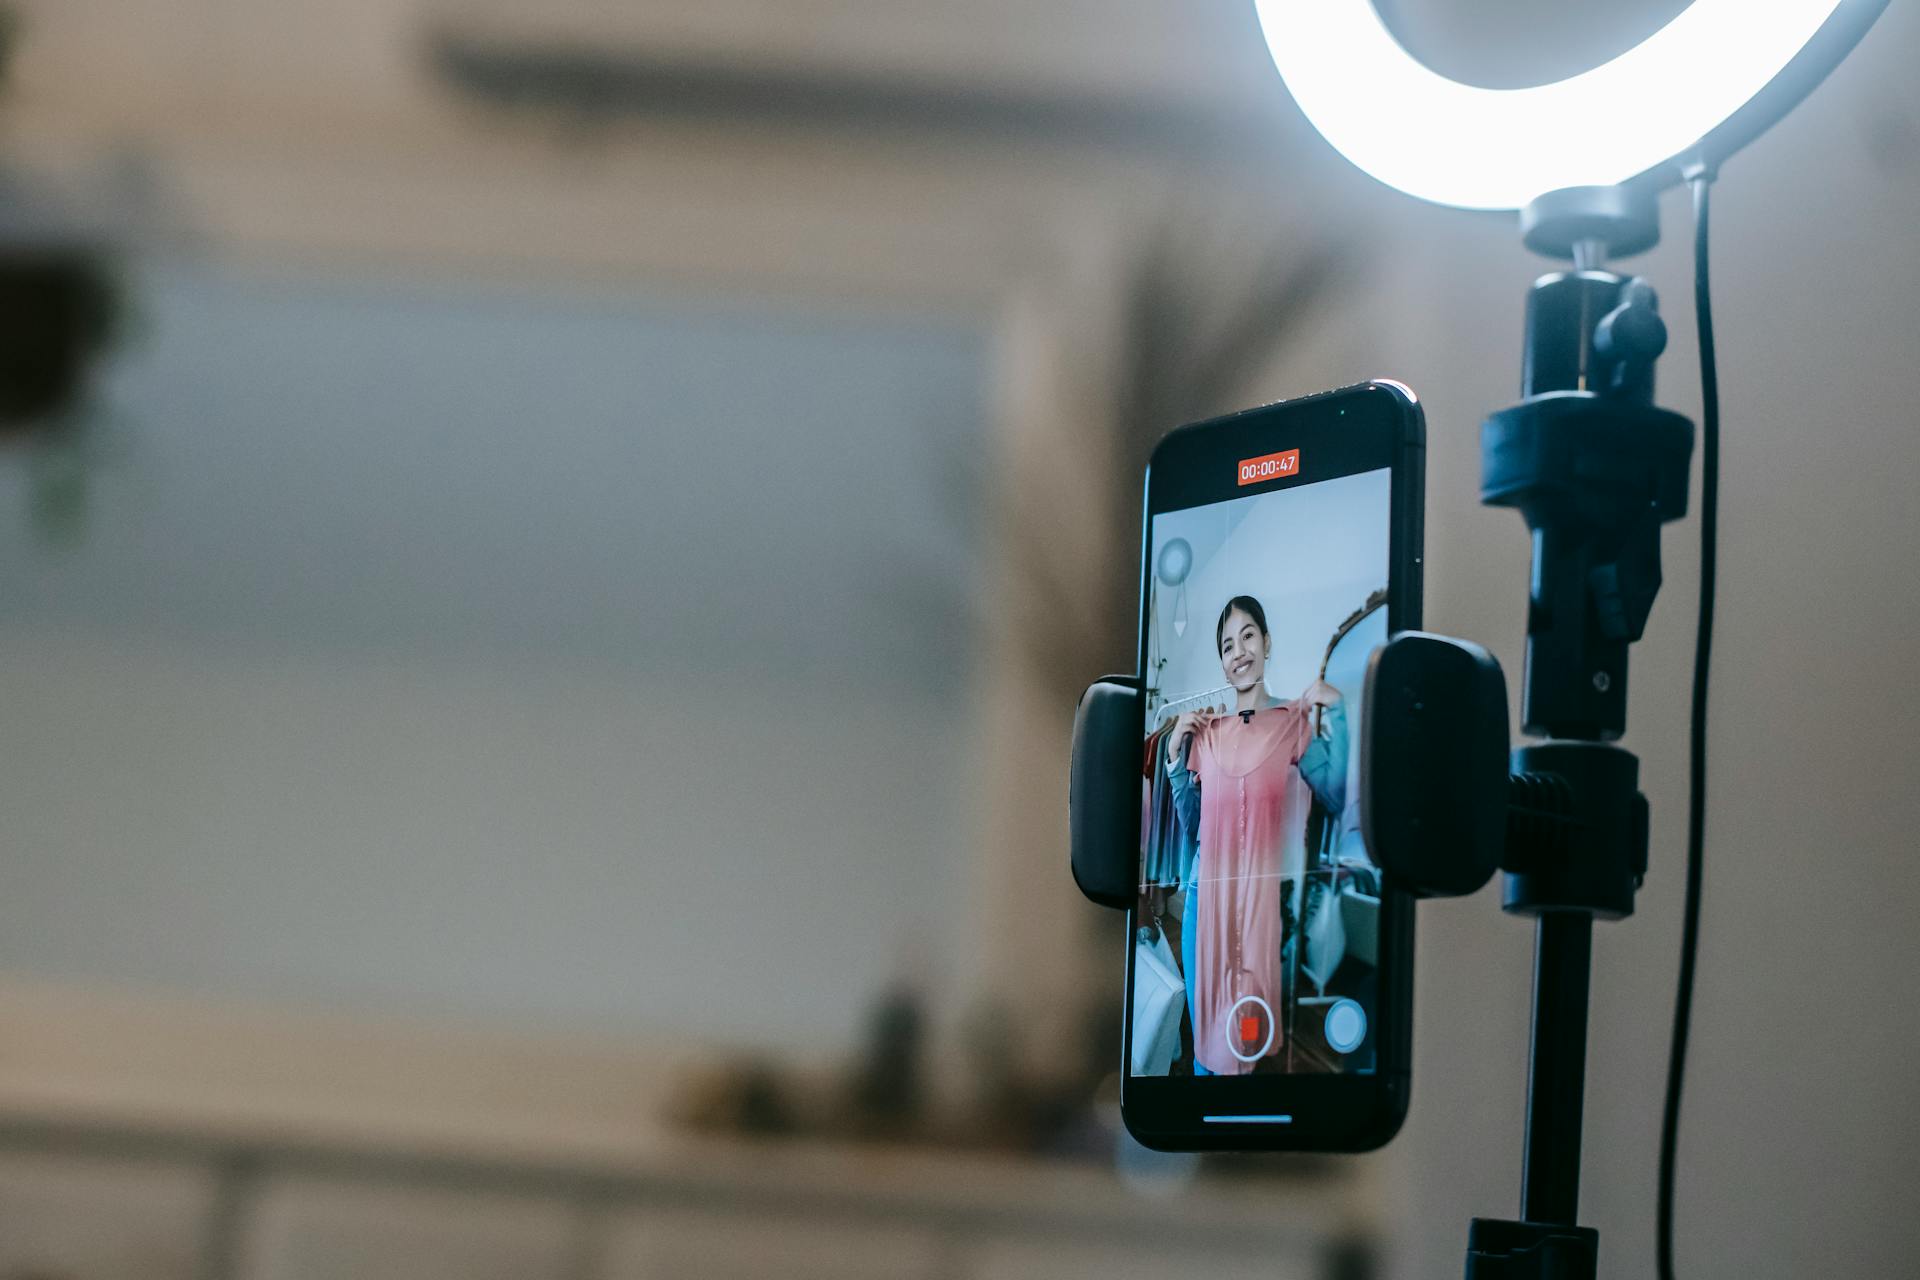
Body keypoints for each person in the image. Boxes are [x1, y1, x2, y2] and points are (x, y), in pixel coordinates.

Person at [1163, 595, 1346, 1075]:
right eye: (1227, 645)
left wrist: (1339, 712)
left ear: (1267, 643)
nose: (1239, 651)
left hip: (1260, 900)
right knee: (1206, 1036)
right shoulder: (1206, 734)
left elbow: (1335, 790)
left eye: (1247, 636)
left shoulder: (1291, 724)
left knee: (1246, 1036)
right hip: (1208, 900)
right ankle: (1207, 1130)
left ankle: (1238, 1129)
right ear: (1222, 665)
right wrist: (1175, 758)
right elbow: (1191, 821)